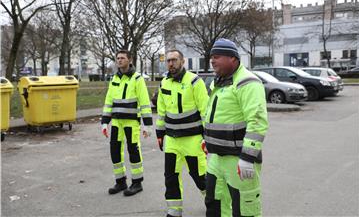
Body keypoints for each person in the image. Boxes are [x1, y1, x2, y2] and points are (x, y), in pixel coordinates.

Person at [203, 38, 268, 216]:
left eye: (217, 56)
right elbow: (213, 114)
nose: (212, 60)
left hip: (239, 159)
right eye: (211, 57)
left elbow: (257, 121)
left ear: (233, 58)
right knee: (214, 204)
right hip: (216, 157)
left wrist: (247, 157)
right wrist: (206, 139)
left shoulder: (247, 82)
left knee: (245, 210)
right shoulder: (218, 82)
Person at [156, 49, 209, 217]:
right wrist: (159, 132)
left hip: (193, 139)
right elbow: (161, 110)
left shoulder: (195, 81)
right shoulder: (164, 82)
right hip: (172, 139)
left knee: (199, 175)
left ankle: (213, 203)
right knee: (170, 176)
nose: (171, 63)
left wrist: (208, 137)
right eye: (168, 60)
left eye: (174, 60)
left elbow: (205, 111)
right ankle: (174, 211)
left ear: (182, 61)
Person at [101, 49, 153, 196]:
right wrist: (105, 122)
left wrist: (147, 125)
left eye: (122, 58)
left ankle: (137, 183)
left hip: (131, 123)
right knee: (115, 151)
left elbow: (144, 102)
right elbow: (108, 101)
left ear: (129, 60)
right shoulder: (114, 79)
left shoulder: (137, 79)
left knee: (133, 151)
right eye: (117, 58)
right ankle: (120, 182)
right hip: (117, 122)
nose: (119, 60)